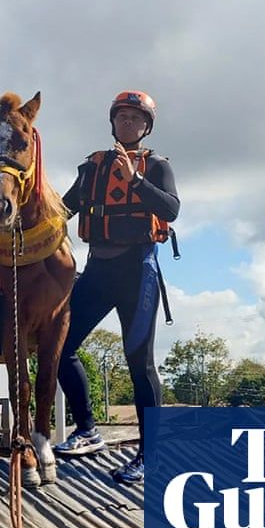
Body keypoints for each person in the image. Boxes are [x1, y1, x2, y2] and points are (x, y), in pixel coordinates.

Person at [53, 90, 181, 485]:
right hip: (98, 270)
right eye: (122, 117)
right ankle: (88, 431)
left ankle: (151, 456)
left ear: (146, 126)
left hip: (137, 271)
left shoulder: (157, 165)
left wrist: (135, 179)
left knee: (139, 365)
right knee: (59, 347)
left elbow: (171, 209)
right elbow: (63, 208)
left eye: (135, 119)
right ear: (113, 122)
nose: (127, 124)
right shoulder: (93, 167)